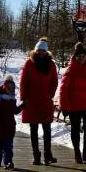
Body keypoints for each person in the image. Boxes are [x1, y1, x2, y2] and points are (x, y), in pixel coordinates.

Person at [59, 43, 86, 164]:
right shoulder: (70, 71)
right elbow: (63, 90)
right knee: (75, 129)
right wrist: (64, 106)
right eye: (78, 56)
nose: (81, 58)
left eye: (83, 56)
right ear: (75, 57)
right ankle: (77, 152)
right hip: (74, 105)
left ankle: (85, 152)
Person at [19, 37, 59, 165]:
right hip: (32, 100)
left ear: (47, 52)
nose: (41, 52)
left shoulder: (51, 65)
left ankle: (48, 155)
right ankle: (36, 155)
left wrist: (50, 94)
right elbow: (23, 82)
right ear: (35, 51)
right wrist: (24, 98)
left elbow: (54, 81)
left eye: (43, 50)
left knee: (47, 128)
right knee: (33, 128)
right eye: (39, 50)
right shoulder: (29, 63)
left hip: (45, 100)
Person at [0, 76, 23, 169]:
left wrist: (23, 105)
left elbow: (15, 111)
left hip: (10, 128)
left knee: (8, 146)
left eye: (13, 88)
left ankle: (8, 162)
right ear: (5, 89)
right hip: (0, 129)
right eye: (9, 88)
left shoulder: (12, 101)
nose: (12, 90)